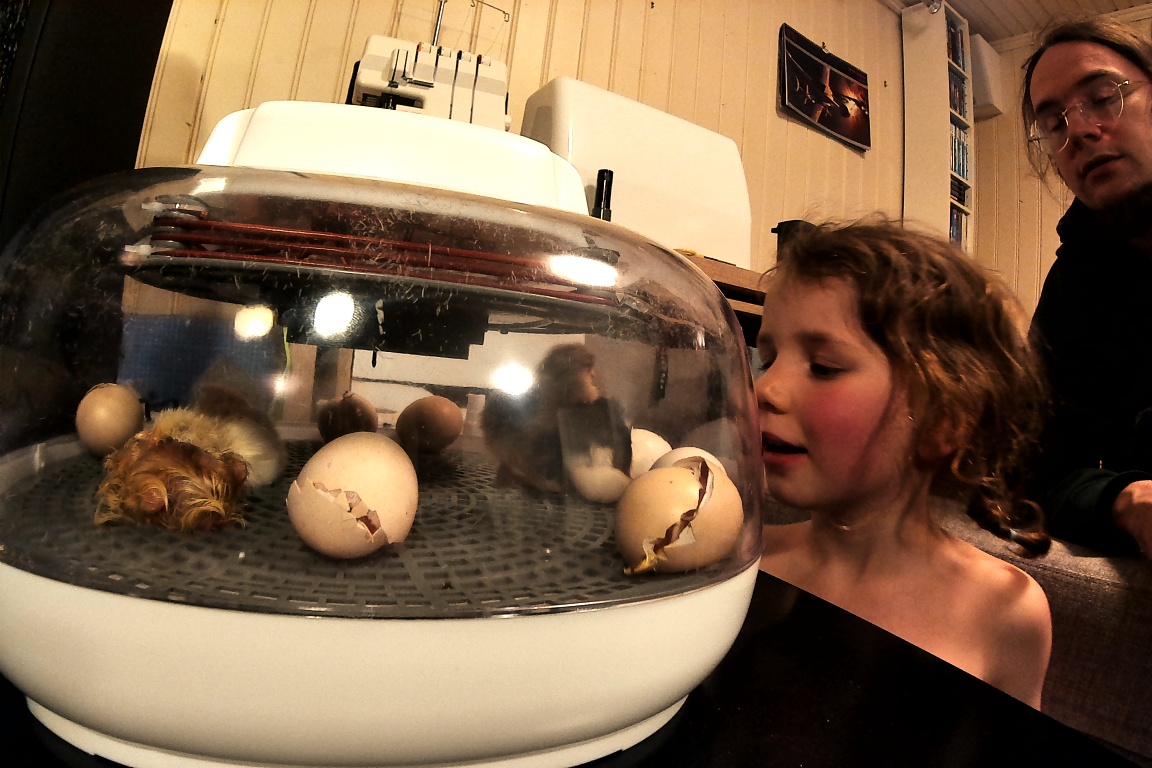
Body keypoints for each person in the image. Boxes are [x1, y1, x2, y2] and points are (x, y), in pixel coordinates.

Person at [755, 219, 1052, 708]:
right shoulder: (746, 558)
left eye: (824, 367)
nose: (764, 388)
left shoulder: (1006, 610)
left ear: (945, 420)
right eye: (767, 360)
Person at [1021, 19, 1152, 556]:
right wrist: (1124, 499)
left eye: (1102, 98)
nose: (1076, 131)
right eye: (1054, 123)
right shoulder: (1074, 288)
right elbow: (1037, 471)